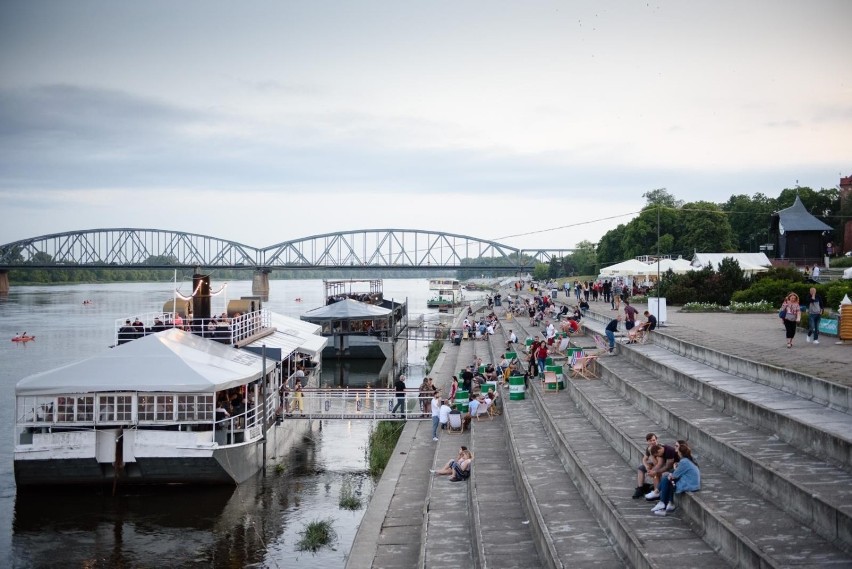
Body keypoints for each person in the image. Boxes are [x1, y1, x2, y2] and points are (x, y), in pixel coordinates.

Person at [652, 442, 700, 516]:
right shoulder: (687, 460)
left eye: (678, 450)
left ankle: (662, 502)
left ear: (680, 453)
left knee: (666, 478)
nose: (676, 452)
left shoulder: (684, 462)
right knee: (667, 478)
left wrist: (670, 472)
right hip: (692, 483)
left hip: (690, 484)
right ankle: (665, 503)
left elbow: (674, 476)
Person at [632, 433, 659, 498]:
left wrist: (651, 454)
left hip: (660, 466)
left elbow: (657, 464)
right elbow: (644, 459)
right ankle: (640, 488)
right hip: (654, 465)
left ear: (656, 440)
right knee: (641, 468)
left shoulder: (659, 448)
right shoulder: (649, 448)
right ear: (647, 442)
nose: (653, 442)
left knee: (654, 471)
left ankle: (656, 491)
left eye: (654, 440)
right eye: (650, 441)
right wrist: (646, 466)